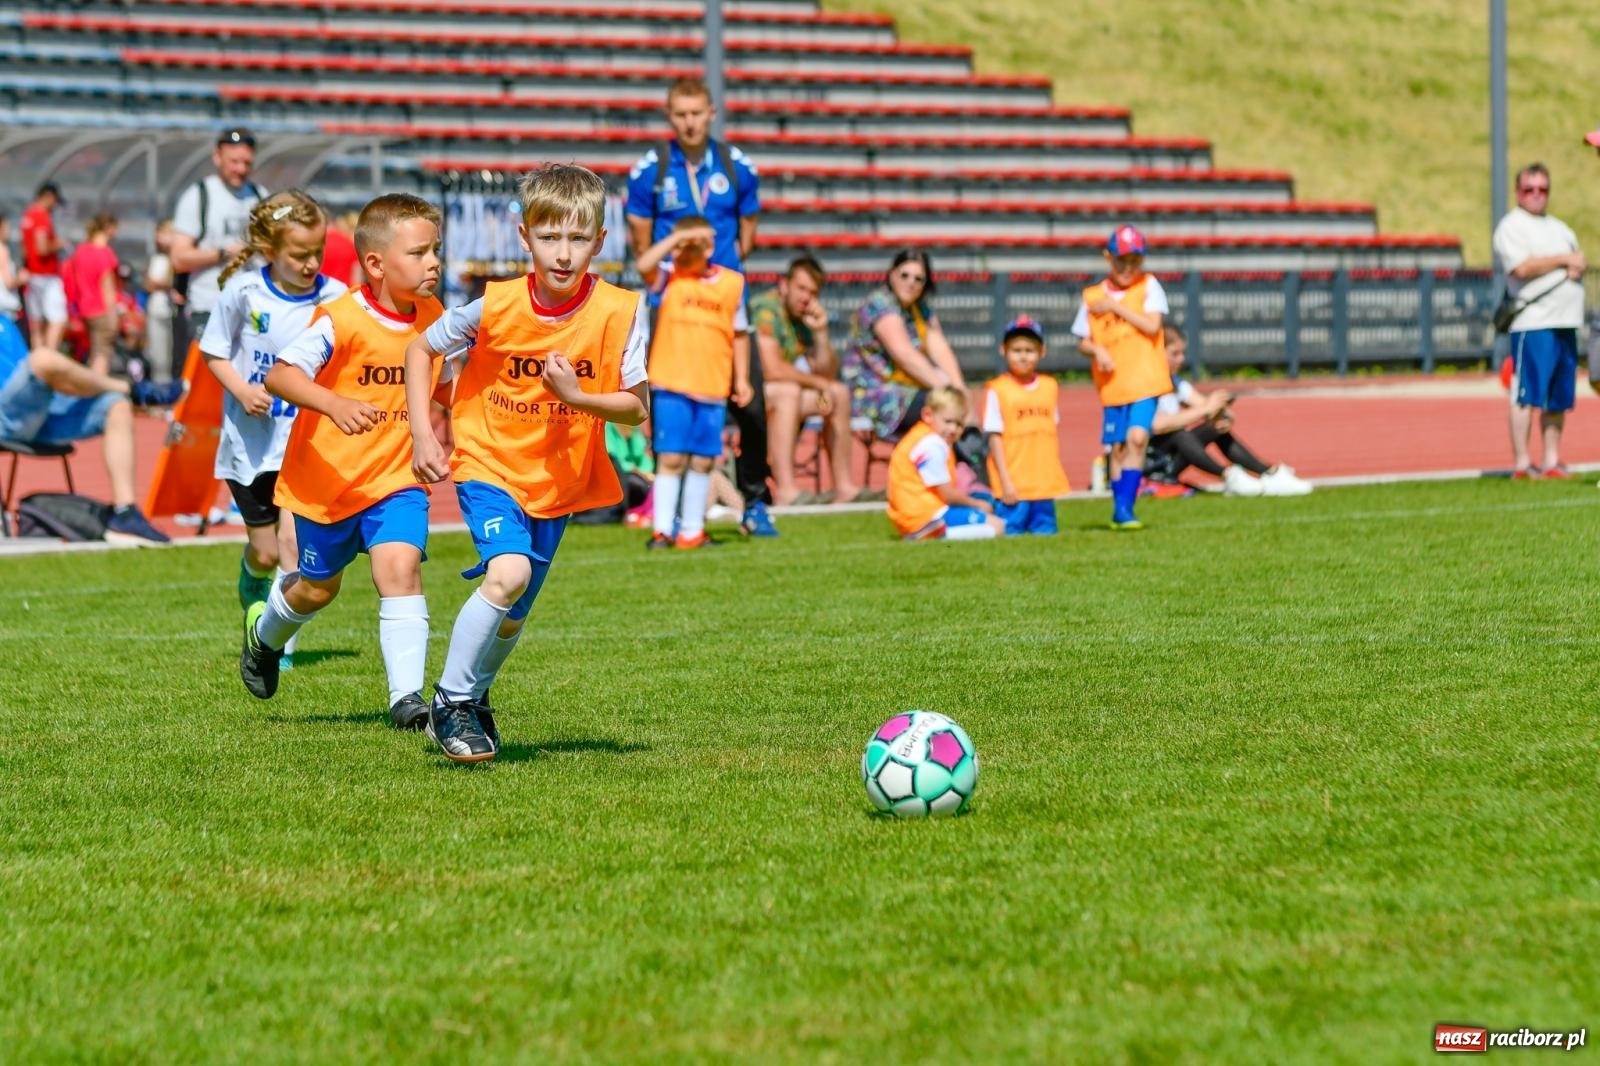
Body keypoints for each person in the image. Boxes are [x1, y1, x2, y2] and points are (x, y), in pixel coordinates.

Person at [406, 163, 650, 763]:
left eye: (577, 238)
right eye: (549, 237)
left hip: (557, 479)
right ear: (524, 237)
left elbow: (636, 406)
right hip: (489, 461)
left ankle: (474, 695)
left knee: (513, 613)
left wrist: (578, 398)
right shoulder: (495, 305)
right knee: (508, 573)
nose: (563, 253)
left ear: (600, 240)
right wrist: (422, 433)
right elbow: (420, 348)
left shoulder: (620, 311)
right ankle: (450, 702)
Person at [237, 193, 445, 737]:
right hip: (326, 482)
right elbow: (280, 376)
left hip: (396, 481)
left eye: (435, 251)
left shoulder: (434, 318)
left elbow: (445, 386)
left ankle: (407, 700)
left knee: (400, 567)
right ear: (375, 264)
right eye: (419, 253)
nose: (433, 263)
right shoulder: (341, 320)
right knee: (317, 588)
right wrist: (334, 403)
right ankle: (264, 637)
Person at [625, 76, 775, 538]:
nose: (690, 122)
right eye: (681, 114)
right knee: (667, 402)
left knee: (750, 405)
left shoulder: (736, 166)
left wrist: (721, 270)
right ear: (670, 116)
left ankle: (755, 501)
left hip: (724, 299)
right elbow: (639, 236)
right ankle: (667, 512)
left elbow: (748, 231)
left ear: (712, 113)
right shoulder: (652, 169)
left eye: (697, 113)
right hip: (672, 302)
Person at [201, 190, 347, 646]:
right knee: (265, 553)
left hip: (303, 442)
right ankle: (252, 576)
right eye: (300, 255)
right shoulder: (243, 292)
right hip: (251, 443)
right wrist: (243, 390)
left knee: (291, 542)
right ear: (270, 251)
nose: (311, 263)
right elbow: (214, 351)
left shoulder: (336, 297)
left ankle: (276, 644)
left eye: (318, 252)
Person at [0, 314, 183, 543]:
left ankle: (125, 513)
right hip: (6, 420)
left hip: (42, 410)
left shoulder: (5, 321)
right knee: (43, 359)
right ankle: (134, 390)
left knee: (117, 405)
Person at [637, 215, 752, 549]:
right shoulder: (670, 277)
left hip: (712, 384)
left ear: (710, 247)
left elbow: (740, 334)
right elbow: (644, 263)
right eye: (681, 246)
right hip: (672, 383)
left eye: (695, 246)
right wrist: (678, 239)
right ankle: (662, 530)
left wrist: (743, 378)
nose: (687, 253)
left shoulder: (731, 283)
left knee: (703, 460)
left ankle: (692, 530)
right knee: (671, 458)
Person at [1072, 225, 1172, 531]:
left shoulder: (1149, 286)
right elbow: (1082, 340)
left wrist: (1116, 306)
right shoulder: (1092, 296)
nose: (1128, 268)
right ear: (1108, 257)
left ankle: (1126, 508)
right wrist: (1097, 350)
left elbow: (1152, 326)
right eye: (1121, 260)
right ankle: (1119, 509)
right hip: (1113, 385)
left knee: (1137, 438)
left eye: (1134, 261)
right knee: (1116, 448)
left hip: (1146, 380)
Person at [1492, 163, 1587, 478]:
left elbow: (1578, 260)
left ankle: (1552, 461)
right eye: (1529, 189)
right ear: (1518, 192)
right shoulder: (1512, 226)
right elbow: (1521, 268)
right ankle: (1522, 463)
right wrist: (1563, 260)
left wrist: (1576, 265)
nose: (1536, 195)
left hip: (1566, 321)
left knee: (1558, 397)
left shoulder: (1560, 228)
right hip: (1533, 323)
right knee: (1525, 394)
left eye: (1543, 189)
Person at [1146, 325, 1311, 496]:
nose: (1181, 359)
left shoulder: (1176, 382)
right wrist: (1206, 408)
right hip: (1150, 460)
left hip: (1169, 456)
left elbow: (1209, 408)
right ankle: (1229, 476)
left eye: (1183, 353)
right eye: (1175, 354)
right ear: (1158, 353)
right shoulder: (1145, 383)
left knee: (1214, 428)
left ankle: (1269, 473)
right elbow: (1158, 425)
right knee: (1179, 435)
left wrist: (1221, 409)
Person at [750, 254, 862, 505]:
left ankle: (844, 488)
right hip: (746, 397)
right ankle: (786, 491)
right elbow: (771, 369)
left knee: (838, 394)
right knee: (789, 392)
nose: (806, 297)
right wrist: (819, 384)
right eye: (801, 288)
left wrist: (821, 332)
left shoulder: (801, 317)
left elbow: (826, 373)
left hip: (783, 400)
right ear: (784, 285)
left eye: (812, 292)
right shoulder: (766, 309)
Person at [842, 248, 968, 443]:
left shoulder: (920, 309)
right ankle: (954, 459)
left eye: (919, 279)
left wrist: (960, 390)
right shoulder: (880, 304)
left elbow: (941, 349)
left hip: (909, 388)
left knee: (954, 407)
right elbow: (906, 357)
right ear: (892, 274)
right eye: (905, 275)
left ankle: (965, 455)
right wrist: (948, 394)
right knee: (944, 411)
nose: (911, 283)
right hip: (873, 395)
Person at [170, 128, 266, 340]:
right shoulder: (199, 196)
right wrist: (226, 252)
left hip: (255, 309)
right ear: (217, 157)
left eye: (247, 163)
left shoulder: (260, 196)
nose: (241, 169)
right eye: (234, 161)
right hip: (210, 308)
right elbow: (178, 259)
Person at [981, 315, 1069, 535]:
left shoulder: (1049, 387)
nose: (1023, 356)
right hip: (1014, 486)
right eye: (1016, 350)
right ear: (1004, 351)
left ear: (1042, 352)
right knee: (1010, 533)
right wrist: (1005, 481)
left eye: (1029, 350)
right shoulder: (998, 389)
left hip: (1043, 485)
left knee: (1045, 535)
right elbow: (994, 437)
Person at [887, 386, 1004, 541]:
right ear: (928, 415)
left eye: (959, 424)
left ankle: (931, 533)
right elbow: (947, 494)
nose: (953, 429)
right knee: (997, 526)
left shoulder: (920, 436)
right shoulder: (932, 444)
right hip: (927, 515)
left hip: (911, 515)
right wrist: (977, 504)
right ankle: (935, 534)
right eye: (948, 421)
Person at [61, 213, 120, 376]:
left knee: (94, 351)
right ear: (108, 228)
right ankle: (97, 388)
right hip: (102, 310)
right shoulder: (105, 253)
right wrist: (113, 316)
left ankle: (90, 384)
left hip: (85, 309)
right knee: (102, 354)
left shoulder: (81, 251)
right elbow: (107, 287)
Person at [21, 183, 67, 353]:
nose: (54, 206)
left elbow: (25, 250)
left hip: (32, 275)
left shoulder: (28, 215)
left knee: (37, 325)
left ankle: (38, 361)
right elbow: (42, 248)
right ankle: (49, 358)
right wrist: (59, 244)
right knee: (58, 320)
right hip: (46, 276)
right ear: (49, 197)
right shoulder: (41, 216)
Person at [143, 219, 177, 383]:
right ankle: (160, 386)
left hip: (173, 312)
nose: (159, 237)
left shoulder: (176, 257)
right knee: (158, 355)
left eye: (164, 233)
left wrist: (162, 284)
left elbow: (173, 282)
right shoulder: (155, 258)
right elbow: (148, 284)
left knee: (173, 353)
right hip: (156, 310)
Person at [0, 213, 25, 324]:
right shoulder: (3, 250)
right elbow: (8, 283)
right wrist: (21, 278)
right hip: (5, 306)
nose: (8, 231)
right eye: (6, 228)